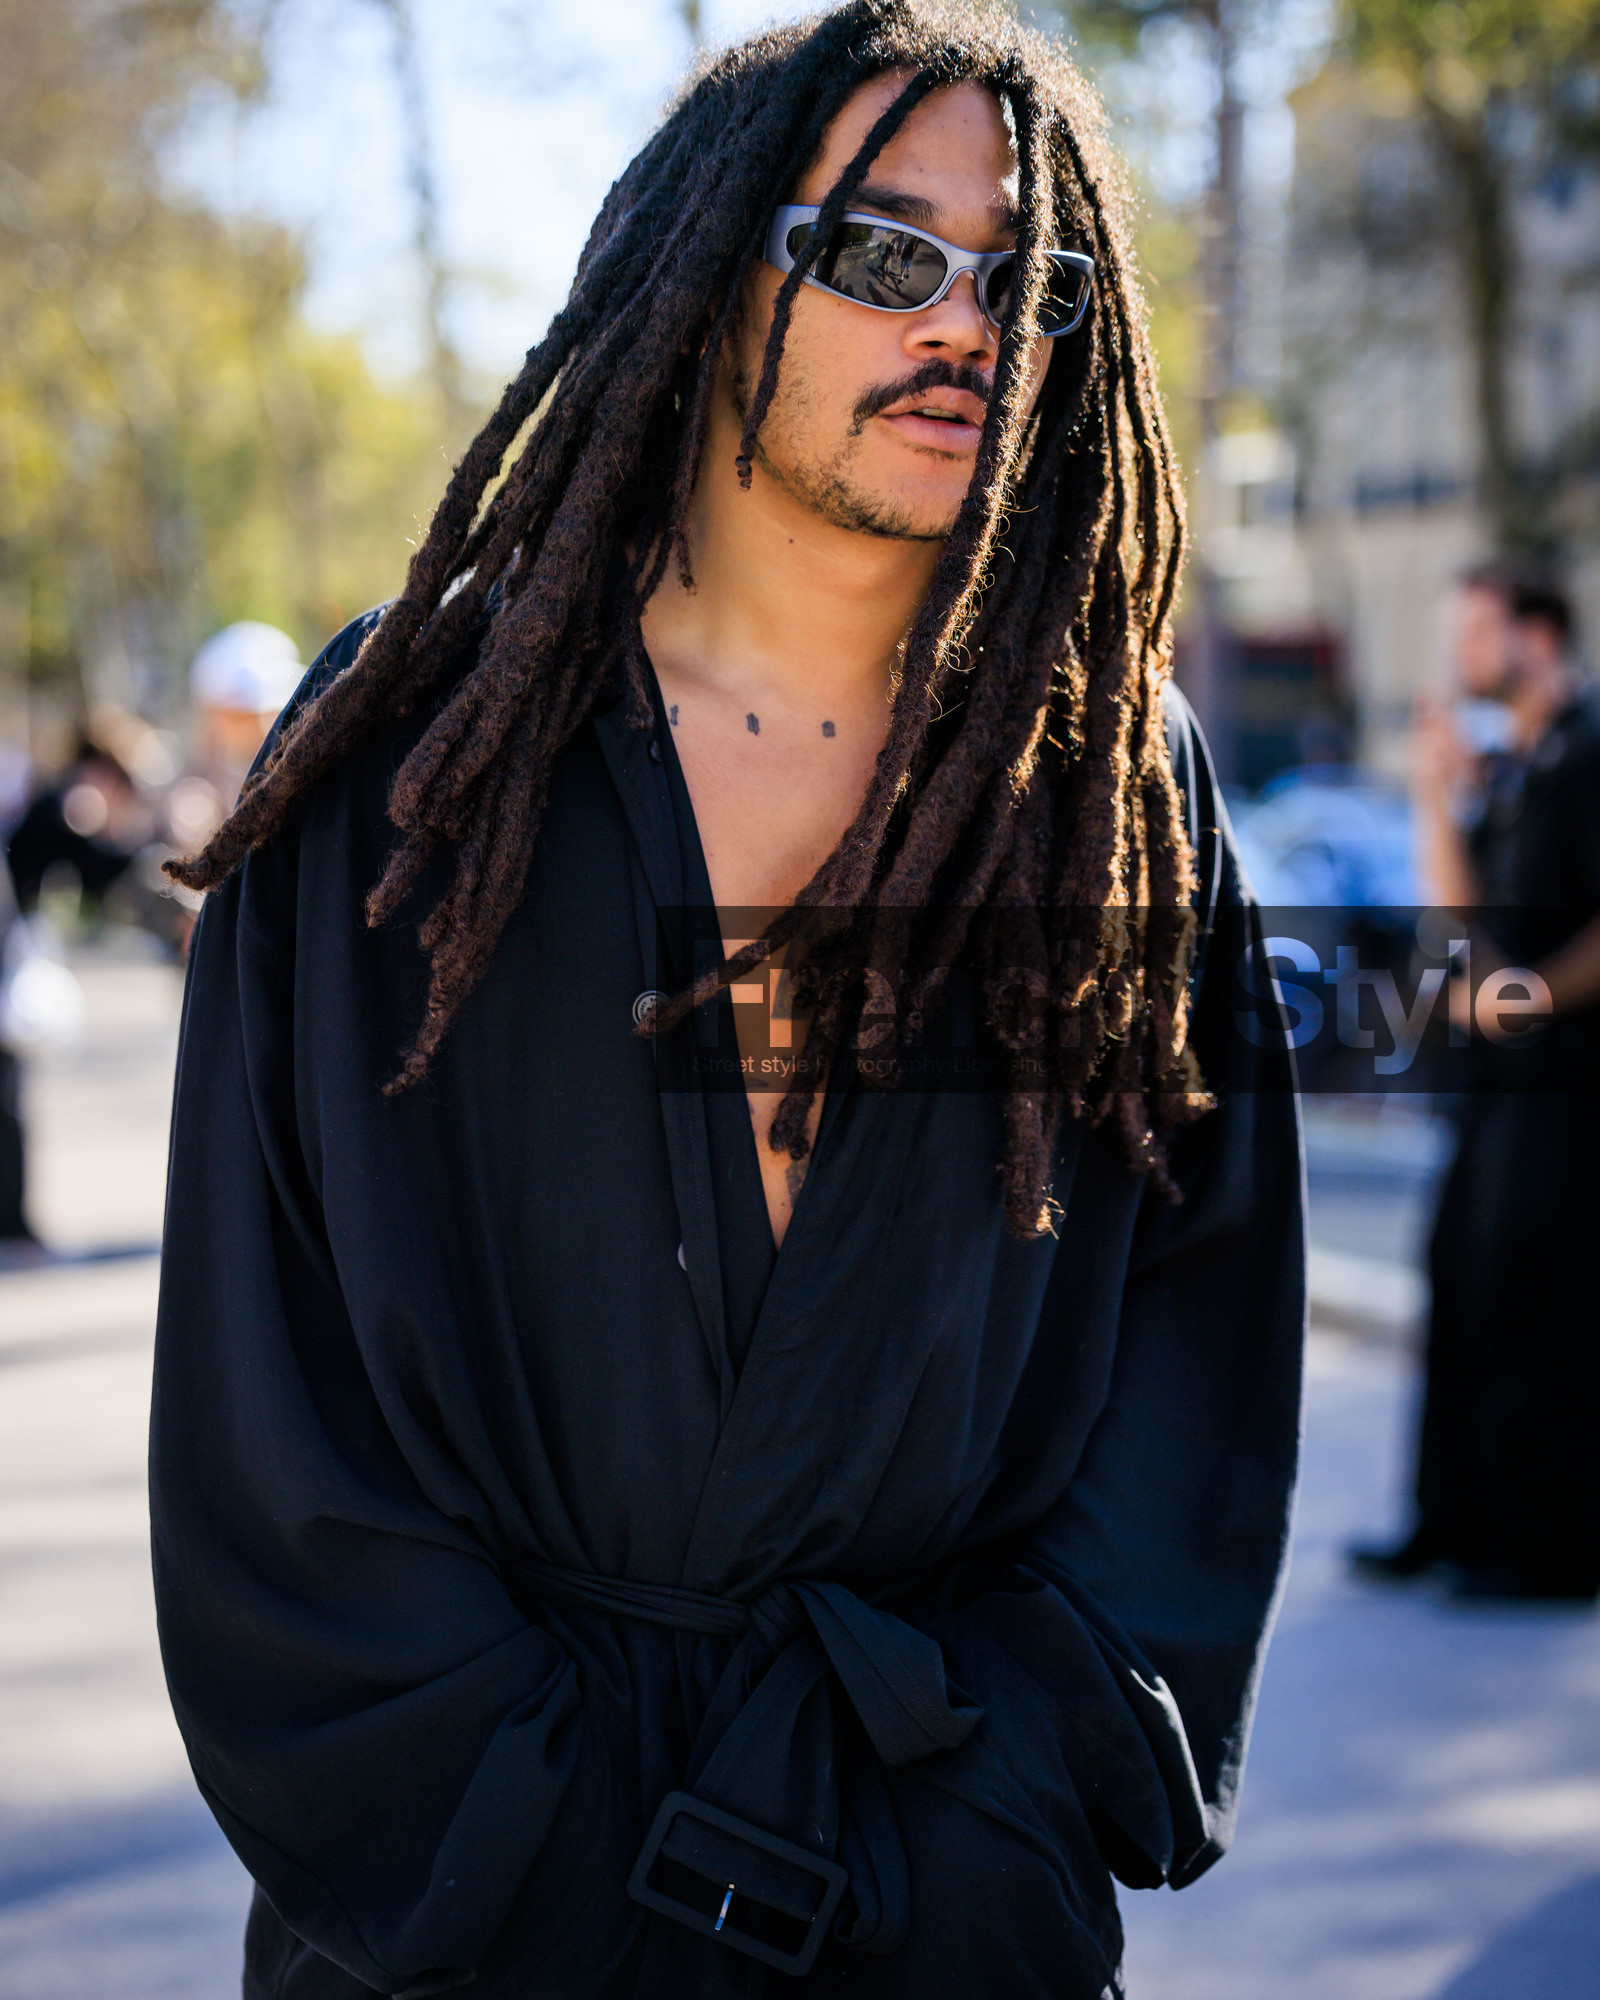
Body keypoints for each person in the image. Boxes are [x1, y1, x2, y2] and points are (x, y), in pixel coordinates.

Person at [149, 7, 1305, 1997]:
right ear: (692, 278)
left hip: (937, 1868)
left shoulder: (1107, 786)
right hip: (481, 1902)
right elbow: (277, 1391)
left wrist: (1025, 1776)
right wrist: (517, 1835)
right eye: (880, 254)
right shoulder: (416, 758)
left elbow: (1200, 1322)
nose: (960, 323)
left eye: (1028, 283)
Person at [1351, 563, 1600, 1604]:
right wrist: (1431, 795)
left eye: (1474, 637)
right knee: (1458, 1274)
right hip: (1501, 1078)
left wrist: (1533, 997)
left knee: (1532, 1302)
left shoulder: (1590, 756)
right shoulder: (1517, 770)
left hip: (1574, 1079)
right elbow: (1451, 925)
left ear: (1537, 636)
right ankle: (1452, 1521)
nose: (1457, 659)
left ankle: (1546, 1548)